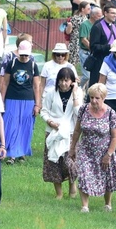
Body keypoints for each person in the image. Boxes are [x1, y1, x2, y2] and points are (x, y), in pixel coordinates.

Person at [69, 83, 116, 212]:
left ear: (103, 98)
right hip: (85, 149)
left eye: (97, 98)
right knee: (84, 174)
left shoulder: (110, 113)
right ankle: (85, 206)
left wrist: (109, 154)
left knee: (106, 176)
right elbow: (77, 131)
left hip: (104, 150)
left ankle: (108, 204)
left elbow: (115, 137)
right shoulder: (83, 109)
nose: (93, 101)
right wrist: (72, 148)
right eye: (92, 97)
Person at [40, 67, 83, 199]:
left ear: (72, 81)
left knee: (69, 161)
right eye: (61, 81)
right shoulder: (51, 93)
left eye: (66, 80)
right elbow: (44, 111)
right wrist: (50, 122)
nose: (64, 84)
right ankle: (59, 193)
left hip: (69, 131)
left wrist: (75, 93)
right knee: (53, 162)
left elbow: (78, 113)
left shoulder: (78, 93)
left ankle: (72, 186)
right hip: (53, 131)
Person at [0, 40, 40, 164]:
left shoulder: (33, 65)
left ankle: (22, 152)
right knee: (11, 125)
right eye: (22, 54)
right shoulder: (11, 64)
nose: (24, 57)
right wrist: (1, 102)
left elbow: (36, 87)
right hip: (12, 98)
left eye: (26, 55)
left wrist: (37, 104)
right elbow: (5, 83)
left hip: (27, 100)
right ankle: (11, 153)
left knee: (24, 126)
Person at [88, 4, 116, 88]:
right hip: (100, 62)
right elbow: (93, 47)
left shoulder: (115, 26)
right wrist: (109, 47)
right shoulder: (97, 27)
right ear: (105, 13)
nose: (115, 15)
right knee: (96, 87)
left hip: (112, 61)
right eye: (112, 13)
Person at [79, 7, 101, 88]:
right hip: (85, 52)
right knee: (86, 75)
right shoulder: (85, 25)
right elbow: (83, 39)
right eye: (99, 16)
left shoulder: (99, 25)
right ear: (93, 15)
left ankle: (88, 91)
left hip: (94, 53)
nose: (101, 17)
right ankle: (78, 88)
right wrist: (92, 49)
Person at [65, 0, 90, 67]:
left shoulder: (86, 18)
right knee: (73, 61)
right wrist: (69, 26)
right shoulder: (75, 18)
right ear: (82, 9)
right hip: (75, 42)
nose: (90, 10)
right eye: (88, 8)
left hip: (80, 40)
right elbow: (68, 31)